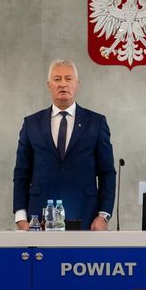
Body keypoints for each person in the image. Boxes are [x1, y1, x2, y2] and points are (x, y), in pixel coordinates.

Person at [13, 60, 116, 230]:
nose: (63, 84)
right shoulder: (31, 124)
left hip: (86, 215)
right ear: (49, 85)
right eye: (57, 79)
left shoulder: (96, 123)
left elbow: (107, 173)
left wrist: (103, 216)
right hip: (38, 218)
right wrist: (20, 216)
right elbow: (21, 173)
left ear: (77, 84)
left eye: (68, 79)